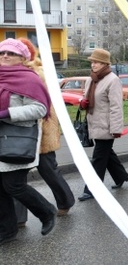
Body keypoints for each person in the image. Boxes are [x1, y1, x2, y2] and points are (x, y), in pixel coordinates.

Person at [0, 38, 56, 244]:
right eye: (2, 52)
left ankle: (46, 211)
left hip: (17, 139)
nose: (5, 56)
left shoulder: (29, 78)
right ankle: (7, 231)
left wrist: (7, 112)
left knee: (14, 185)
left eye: (11, 53)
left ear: (23, 57)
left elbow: (40, 109)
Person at [13, 38, 74, 227]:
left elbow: (41, 104)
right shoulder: (7, 73)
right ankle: (18, 217)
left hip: (42, 130)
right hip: (16, 133)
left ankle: (65, 201)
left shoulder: (38, 73)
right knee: (15, 176)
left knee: (48, 170)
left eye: (15, 53)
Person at [78, 49, 128, 201]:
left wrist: (116, 129)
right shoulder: (91, 79)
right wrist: (83, 102)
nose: (93, 64)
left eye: (96, 62)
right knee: (107, 154)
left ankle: (91, 189)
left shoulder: (113, 80)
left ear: (105, 64)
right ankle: (121, 176)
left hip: (107, 126)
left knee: (98, 158)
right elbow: (85, 97)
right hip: (93, 124)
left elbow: (116, 106)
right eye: (92, 62)